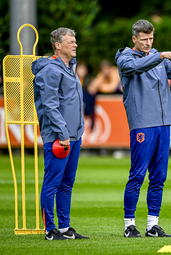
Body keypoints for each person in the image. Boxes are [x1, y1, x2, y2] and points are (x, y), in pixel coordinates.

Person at [115, 19, 171, 238]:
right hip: (143, 123)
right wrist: (160, 55)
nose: (147, 43)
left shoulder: (157, 56)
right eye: (143, 39)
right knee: (137, 175)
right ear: (134, 39)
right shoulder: (124, 57)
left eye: (151, 39)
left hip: (164, 123)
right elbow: (134, 67)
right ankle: (129, 225)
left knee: (159, 176)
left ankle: (152, 225)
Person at [32, 27, 89, 240]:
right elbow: (49, 104)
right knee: (52, 183)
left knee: (67, 183)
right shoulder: (50, 70)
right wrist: (62, 132)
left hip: (73, 135)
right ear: (57, 45)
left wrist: (76, 130)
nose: (75, 44)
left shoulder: (69, 67)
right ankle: (50, 230)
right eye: (71, 41)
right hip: (59, 137)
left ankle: (64, 228)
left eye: (75, 41)